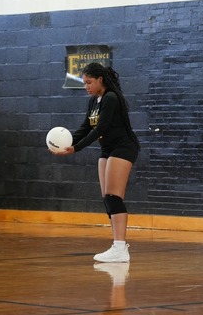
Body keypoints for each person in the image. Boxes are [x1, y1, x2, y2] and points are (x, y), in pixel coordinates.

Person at [53, 62, 140, 263]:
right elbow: (85, 128)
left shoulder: (111, 98)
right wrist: (65, 144)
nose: (87, 87)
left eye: (89, 82)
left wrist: (77, 148)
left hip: (123, 147)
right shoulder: (94, 101)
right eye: (84, 83)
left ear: (100, 79)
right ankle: (117, 246)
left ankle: (120, 247)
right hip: (107, 149)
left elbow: (99, 129)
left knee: (113, 195)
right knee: (106, 197)